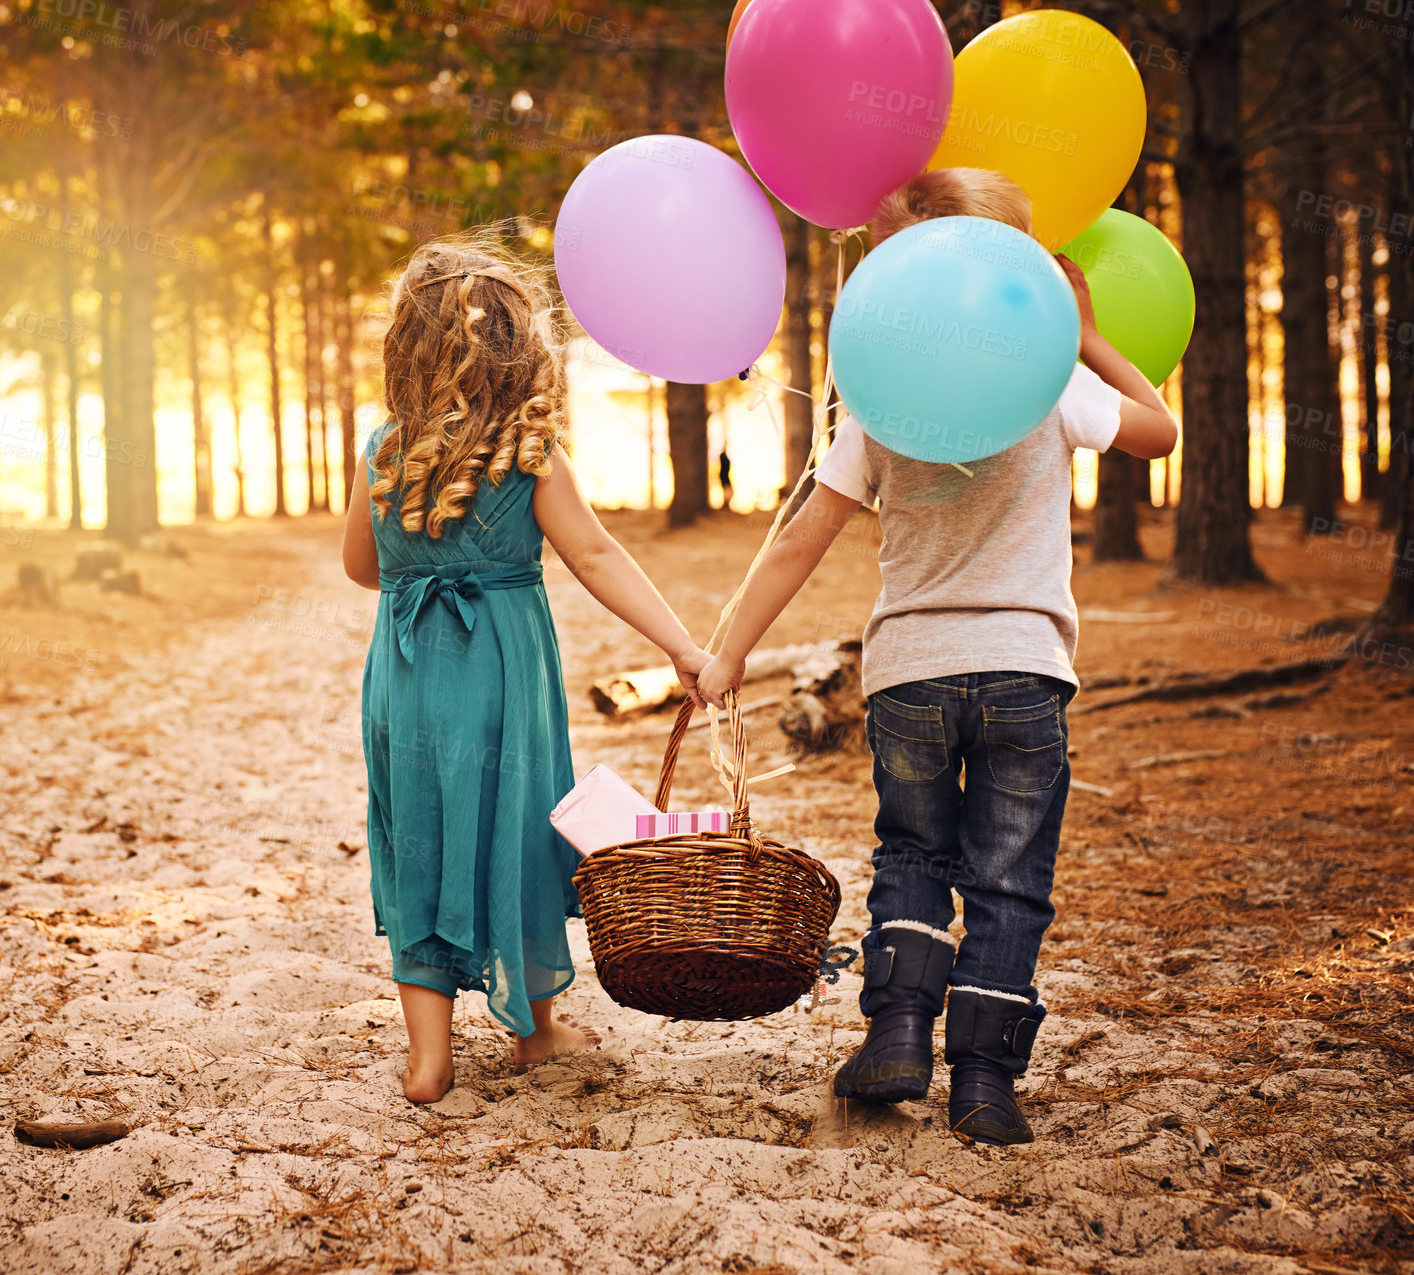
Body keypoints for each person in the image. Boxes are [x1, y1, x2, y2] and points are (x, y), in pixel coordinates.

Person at [697, 169, 1178, 1145]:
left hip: (911, 668)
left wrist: (727, 652)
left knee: (912, 852)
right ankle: (985, 1085)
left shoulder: (882, 397)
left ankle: (900, 1033)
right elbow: (1159, 432)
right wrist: (1083, 334)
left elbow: (801, 533)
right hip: (1023, 669)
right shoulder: (1050, 382)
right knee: (1008, 880)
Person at [343, 230, 709, 1104]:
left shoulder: (385, 450)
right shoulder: (529, 450)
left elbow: (360, 567)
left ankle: (428, 1061)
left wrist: (420, 560)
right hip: (505, 678)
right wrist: (683, 648)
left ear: (409, 345)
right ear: (517, 345)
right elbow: (598, 557)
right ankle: (535, 1031)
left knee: (418, 836)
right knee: (516, 829)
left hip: (407, 675)